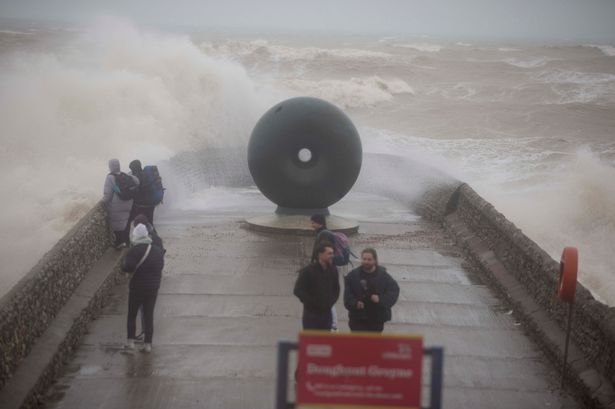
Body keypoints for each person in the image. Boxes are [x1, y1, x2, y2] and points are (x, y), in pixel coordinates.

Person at [122, 223, 165, 353]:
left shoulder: (133, 251)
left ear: (135, 236)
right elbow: (160, 266)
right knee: (148, 315)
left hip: (137, 288)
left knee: (132, 315)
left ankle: (130, 344)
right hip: (152, 288)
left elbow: (127, 267)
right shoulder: (157, 250)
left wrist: (124, 265)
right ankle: (147, 345)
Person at [344, 248, 399, 333]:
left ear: (375, 260)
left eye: (369, 259)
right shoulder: (352, 276)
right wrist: (355, 303)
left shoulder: (383, 276)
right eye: (364, 259)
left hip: (376, 319)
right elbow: (347, 297)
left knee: (374, 345)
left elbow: (394, 290)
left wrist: (380, 299)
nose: (366, 261)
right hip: (357, 319)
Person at [294, 243, 340, 330]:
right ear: (320, 254)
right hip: (311, 316)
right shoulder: (308, 271)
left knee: (325, 341)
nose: (332, 256)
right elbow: (298, 290)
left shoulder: (333, 270)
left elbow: (336, 289)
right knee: (312, 341)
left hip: (327, 315)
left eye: (332, 253)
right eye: (329, 253)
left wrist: (330, 302)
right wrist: (311, 303)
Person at [309, 214, 339, 331]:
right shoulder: (322, 233)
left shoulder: (324, 234)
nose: (311, 225)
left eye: (313, 223)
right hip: (324, 269)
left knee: (327, 298)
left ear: (319, 223)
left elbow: (325, 253)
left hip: (325, 271)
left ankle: (334, 324)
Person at [102, 159, 139, 249]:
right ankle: (126, 242)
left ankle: (119, 243)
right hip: (129, 203)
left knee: (117, 224)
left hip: (117, 205)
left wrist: (103, 202)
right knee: (125, 223)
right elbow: (137, 182)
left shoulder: (110, 177)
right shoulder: (125, 175)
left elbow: (107, 195)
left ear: (110, 167)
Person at [128, 160, 157, 226]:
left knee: (128, 221)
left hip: (141, 205)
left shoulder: (136, 177)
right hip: (151, 204)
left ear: (134, 168)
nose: (132, 171)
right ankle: (152, 235)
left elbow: (134, 191)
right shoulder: (147, 174)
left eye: (132, 169)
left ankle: (125, 236)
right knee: (149, 223)